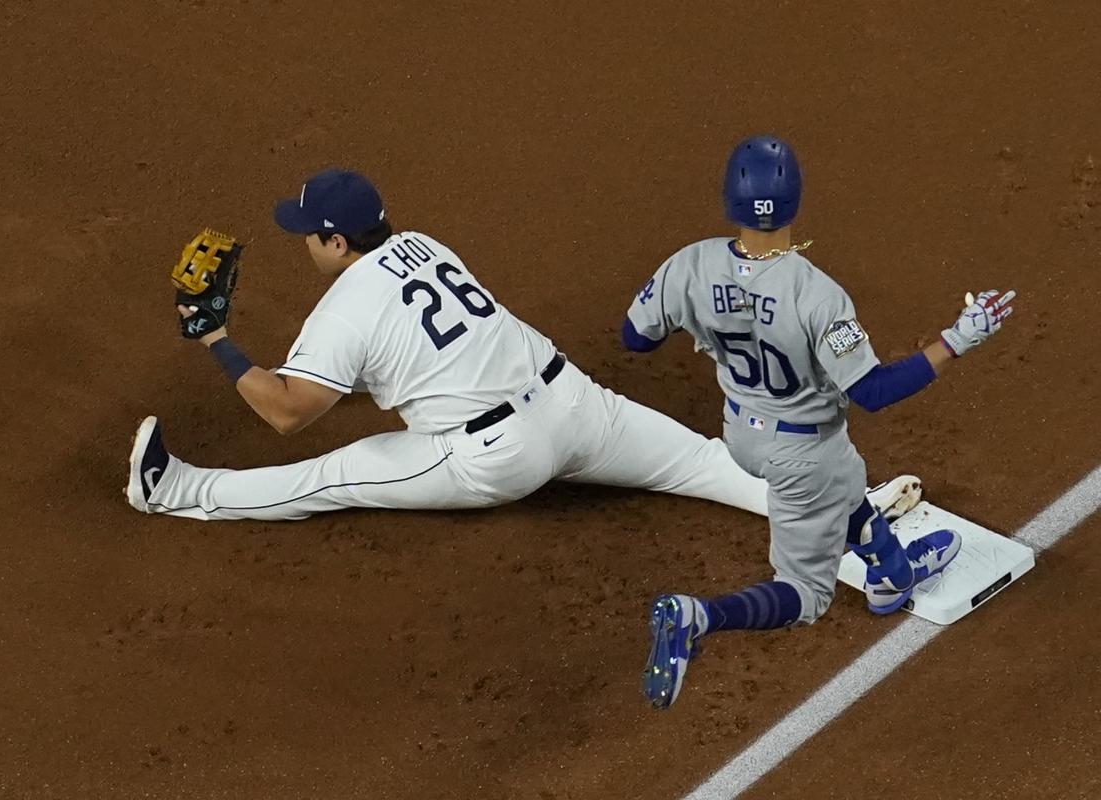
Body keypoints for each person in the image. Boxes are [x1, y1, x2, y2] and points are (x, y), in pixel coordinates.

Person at [126, 168, 785, 522]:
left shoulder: (341, 315)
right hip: (579, 407)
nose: (301, 243)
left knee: (330, 477)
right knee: (704, 463)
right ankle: (857, 528)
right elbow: (398, 349)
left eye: (307, 234)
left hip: (495, 459)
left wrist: (214, 336)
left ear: (336, 241)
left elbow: (289, 413)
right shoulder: (425, 245)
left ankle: (174, 491)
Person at [629, 136, 1016, 710]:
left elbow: (635, 337)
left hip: (741, 434)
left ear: (729, 200)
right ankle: (699, 617)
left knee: (844, 479)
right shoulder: (817, 295)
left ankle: (892, 573)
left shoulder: (688, 264)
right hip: (801, 455)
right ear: (796, 201)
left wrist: (713, 328)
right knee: (806, 593)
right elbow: (873, 392)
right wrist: (956, 340)